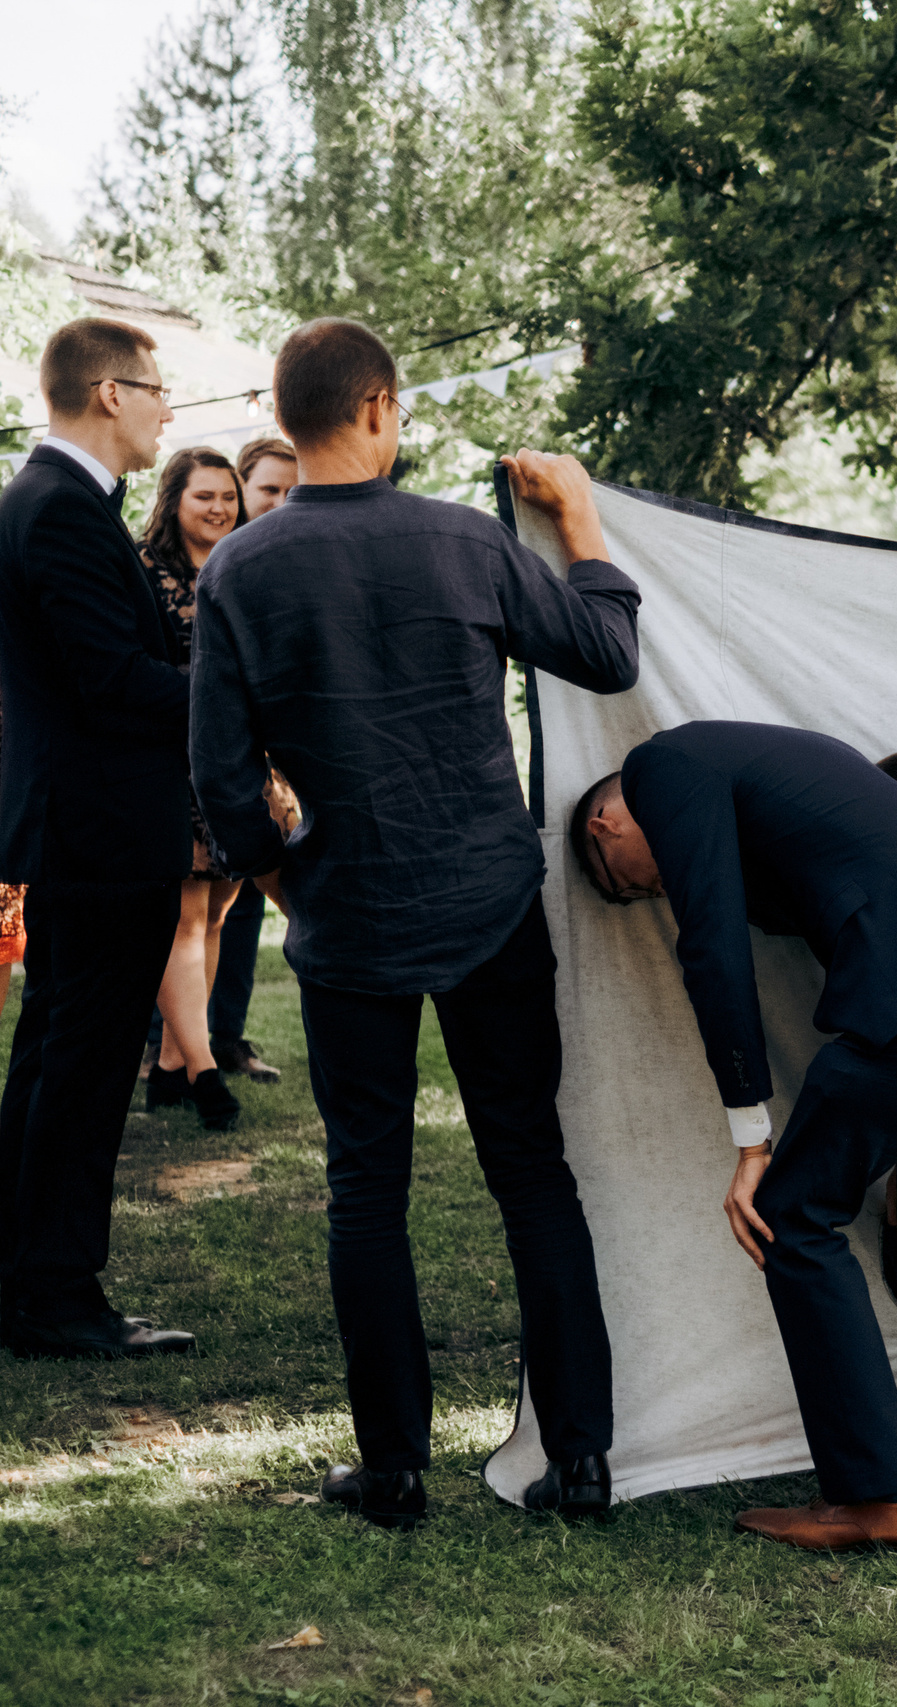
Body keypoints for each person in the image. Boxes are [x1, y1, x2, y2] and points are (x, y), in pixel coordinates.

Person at [189, 317, 639, 1528]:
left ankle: (393, 1472)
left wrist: (281, 881)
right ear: (380, 408)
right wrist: (582, 522)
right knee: (531, 1173)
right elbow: (607, 653)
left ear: (287, 421)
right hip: (490, 897)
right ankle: (583, 1462)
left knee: (365, 1190)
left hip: (346, 909)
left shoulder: (240, 569)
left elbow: (221, 778)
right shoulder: (464, 540)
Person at [573, 723, 897, 1550]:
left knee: (789, 1216)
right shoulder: (774, 788)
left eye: (623, 885)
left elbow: (711, 946)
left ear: (607, 824)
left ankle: (880, 1495)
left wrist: (751, 1138)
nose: (647, 892)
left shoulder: (661, 765)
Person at [0, 317, 197, 1362]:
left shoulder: (49, 499)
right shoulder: (62, 509)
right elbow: (111, 681)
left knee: (53, 1056)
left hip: (81, 826)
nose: (169, 409)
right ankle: (59, 1294)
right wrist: (237, 691)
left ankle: (24, 1275)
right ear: (111, 393)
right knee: (82, 1067)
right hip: (103, 832)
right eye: (158, 389)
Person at [134, 446, 247, 1133]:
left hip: (236, 764)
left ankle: (172, 1065)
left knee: (214, 919)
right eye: (205, 495)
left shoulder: (242, 564)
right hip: (169, 764)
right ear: (174, 498)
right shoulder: (145, 569)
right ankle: (205, 1073)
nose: (219, 508)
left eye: (228, 496)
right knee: (181, 917)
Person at [205, 436, 300, 1088]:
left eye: (294, 490)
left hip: (275, 762)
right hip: (211, 759)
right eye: (269, 489)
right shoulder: (219, 557)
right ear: (242, 489)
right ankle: (165, 1044)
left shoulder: (294, 559)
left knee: (244, 908)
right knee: (192, 910)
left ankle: (226, 1037)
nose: (281, 501)